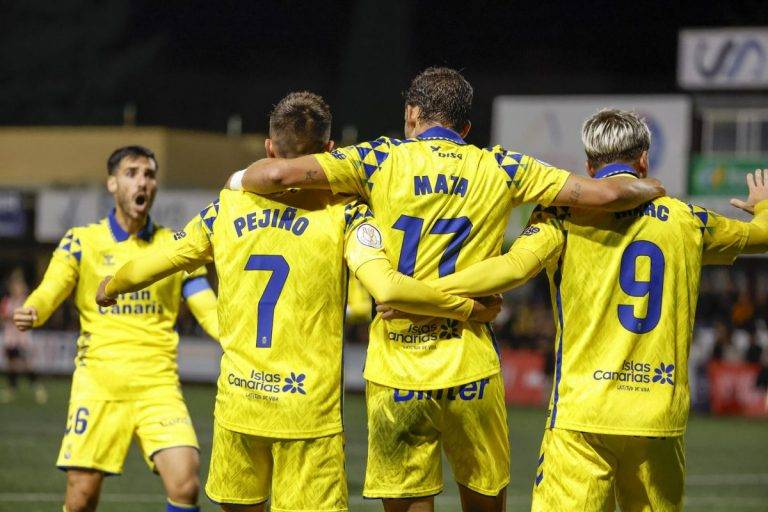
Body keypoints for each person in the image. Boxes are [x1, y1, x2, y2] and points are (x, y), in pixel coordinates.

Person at [225, 67, 665, 512]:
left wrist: (237, 181)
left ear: (412, 113)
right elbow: (606, 196)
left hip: (398, 371)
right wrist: (651, 187)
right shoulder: (504, 167)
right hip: (470, 369)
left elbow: (278, 176)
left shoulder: (378, 159)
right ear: (466, 127)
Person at [95, 91, 498, 512]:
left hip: (240, 406)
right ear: (329, 152)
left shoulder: (226, 209)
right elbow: (387, 286)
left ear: (270, 149)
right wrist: (469, 306)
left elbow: (163, 258)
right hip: (309, 416)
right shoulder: (345, 215)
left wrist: (113, 284)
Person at [399, 110, 768, 511]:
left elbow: (510, 269)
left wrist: (420, 292)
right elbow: (761, 237)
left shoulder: (563, 217)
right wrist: (762, 207)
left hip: (582, 416)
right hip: (657, 418)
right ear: (643, 159)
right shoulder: (687, 221)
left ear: (589, 166)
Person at [13, 146, 218, 512]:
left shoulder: (175, 245)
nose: (143, 181)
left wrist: (233, 336)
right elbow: (51, 288)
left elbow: (204, 302)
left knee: (185, 482)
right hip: (99, 383)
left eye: (150, 174)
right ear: (112, 183)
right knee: (81, 498)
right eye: (132, 172)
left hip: (158, 384)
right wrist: (33, 310)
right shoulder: (82, 241)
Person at [0, 268, 46, 403]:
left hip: (22, 338)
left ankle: (37, 388)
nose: (17, 288)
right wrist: (9, 318)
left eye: (19, 285)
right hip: (10, 338)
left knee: (26, 365)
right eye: (14, 286)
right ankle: (11, 390)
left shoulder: (26, 301)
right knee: (12, 364)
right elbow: (3, 317)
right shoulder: (7, 301)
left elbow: (31, 316)